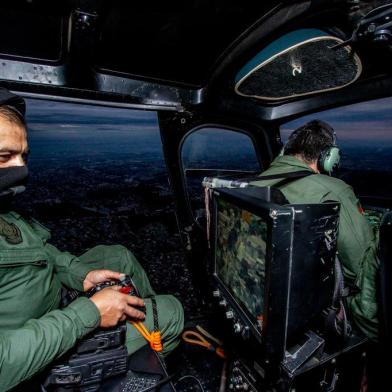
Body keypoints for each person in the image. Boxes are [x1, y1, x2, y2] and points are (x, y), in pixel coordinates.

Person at [0, 89, 184, 391]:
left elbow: (41, 251)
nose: (20, 169)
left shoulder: (4, 209)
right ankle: (150, 342)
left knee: (118, 255)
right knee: (172, 310)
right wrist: (90, 313)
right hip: (37, 352)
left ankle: (140, 309)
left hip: (50, 302)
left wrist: (81, 274)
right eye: (5, 156)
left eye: (24, 156)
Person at [250, 119, 379, 341]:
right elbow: (359, 266)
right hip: (309, 307)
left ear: (284, 152)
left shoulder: (253, 185)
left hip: (258, 295)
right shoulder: (332, 191)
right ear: (329, 157)